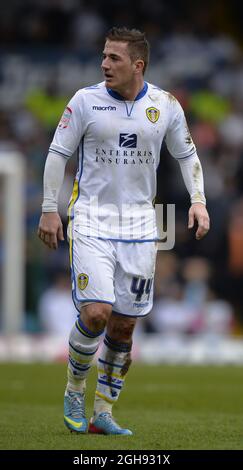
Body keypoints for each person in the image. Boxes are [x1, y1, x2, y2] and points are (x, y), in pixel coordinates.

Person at [37, 27, 210, 435]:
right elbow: (57, 153)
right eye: (104, 56)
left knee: (124, 326)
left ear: (138, 65)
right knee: (97, 312)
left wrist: (198, 200)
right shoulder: (85, 100)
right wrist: (49, 209)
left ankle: (104, 411)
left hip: (141, 226)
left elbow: (187, 154)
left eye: (114, 58)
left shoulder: (164, 104)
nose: (104, 64)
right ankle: (75, 388)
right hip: (92, 220)